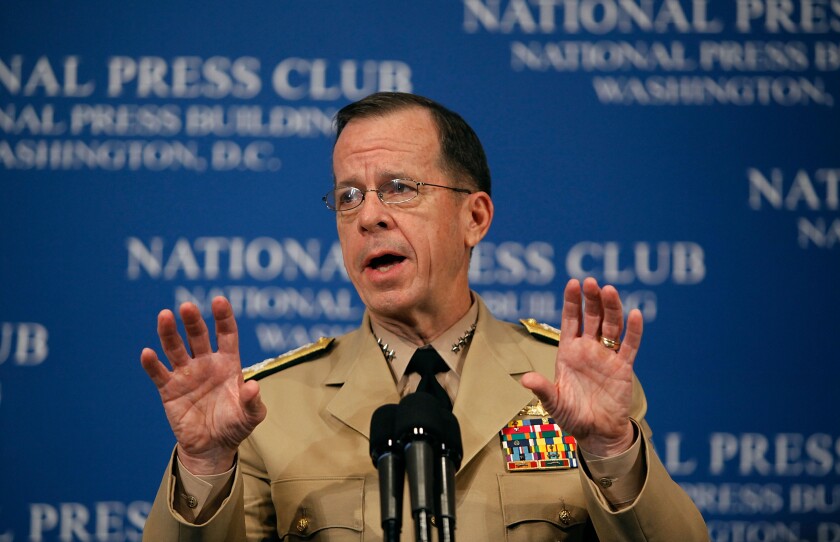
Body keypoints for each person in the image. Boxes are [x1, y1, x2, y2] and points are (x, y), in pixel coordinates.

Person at [141, 92, 708, 540]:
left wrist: (611, 449)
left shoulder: (570, 381)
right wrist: (205, 463)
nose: (369, 218)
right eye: (348, 197)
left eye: (399, 188)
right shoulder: (269, 406)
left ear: (475, 217)